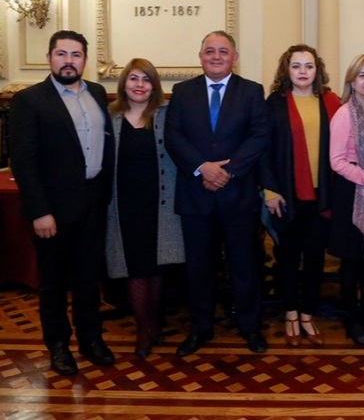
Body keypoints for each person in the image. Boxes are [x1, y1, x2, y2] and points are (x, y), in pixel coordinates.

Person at [9, 30, 115, 375]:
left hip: (94, 203)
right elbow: (23, 161)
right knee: (54, 281)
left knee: (89, 277)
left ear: (85, 60)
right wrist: (40, 211)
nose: (69, 61)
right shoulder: (29, 100)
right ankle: (58, 345)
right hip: (53, 210)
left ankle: (90, 339)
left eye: (76, 55)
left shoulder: (97, 93)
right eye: (62, 54)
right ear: (49, 58)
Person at [165, 30, 271, 356]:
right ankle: (200, 328)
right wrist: (202, 167)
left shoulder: (252, 91)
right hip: (196, 195)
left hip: (237, 195)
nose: (215, 56)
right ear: (200, 57)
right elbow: (173, 136)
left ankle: (250, 327)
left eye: (223, 51)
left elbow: (259, 136)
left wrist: (228, 171)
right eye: (209, 51)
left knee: (245, 266)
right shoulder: (182, 92)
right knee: (199, 268)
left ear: (234, 58)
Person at [260, 44, 341, 347]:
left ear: (317, 70)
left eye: (308, 66)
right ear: (287, 70)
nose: (303, 71)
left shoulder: (331, 102)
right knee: (288, 258)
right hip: (286, 195)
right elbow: (264, 150)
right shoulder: (275, 103)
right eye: (296, 66)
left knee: (316, 258)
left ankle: (307, 313)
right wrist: (270, 190)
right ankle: (291, 314)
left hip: (323, 195)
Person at [106, 58, 185, 359]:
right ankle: (143, 329)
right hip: (125, 206)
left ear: (154, 86)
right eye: (134, 78)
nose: (140, 85)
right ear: (124, 83)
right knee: (135, 268)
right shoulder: (110, 116)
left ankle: (153, 321)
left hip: (161, 203)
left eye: (146, 79)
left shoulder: (166, 114)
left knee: (157, 267)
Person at [327, 54, 364, 347]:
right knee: (352, 261)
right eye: (362, 75)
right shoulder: (343, 114)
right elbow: (336, 161)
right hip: (351, 193)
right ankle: (352, 321)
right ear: (352, 80)